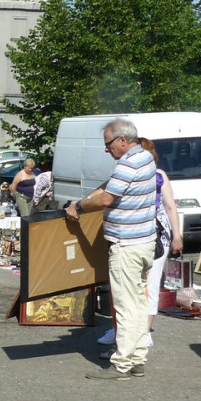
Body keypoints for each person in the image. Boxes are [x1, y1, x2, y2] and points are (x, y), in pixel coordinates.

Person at [66, 119, 156, 380]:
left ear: (122, 140)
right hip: (144, 242)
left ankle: (121, 364)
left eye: (108, 144)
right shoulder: (145, 158)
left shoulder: (127, 163)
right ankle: (137, 358)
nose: (107, 149)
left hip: (126, 245)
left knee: (125, 305)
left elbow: (106, 198)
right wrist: (85, 199)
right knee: (138, 304)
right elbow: (109, 185)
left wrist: (78, 207)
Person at [96, 139, 183, 349]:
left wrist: (177, 236)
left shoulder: (158, 175)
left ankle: (144, 331)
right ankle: (120, 329)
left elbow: (170, 206)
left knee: (149, 286)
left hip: (155, 235)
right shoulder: (125, 172)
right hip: (128, 234)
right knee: (124, 287)